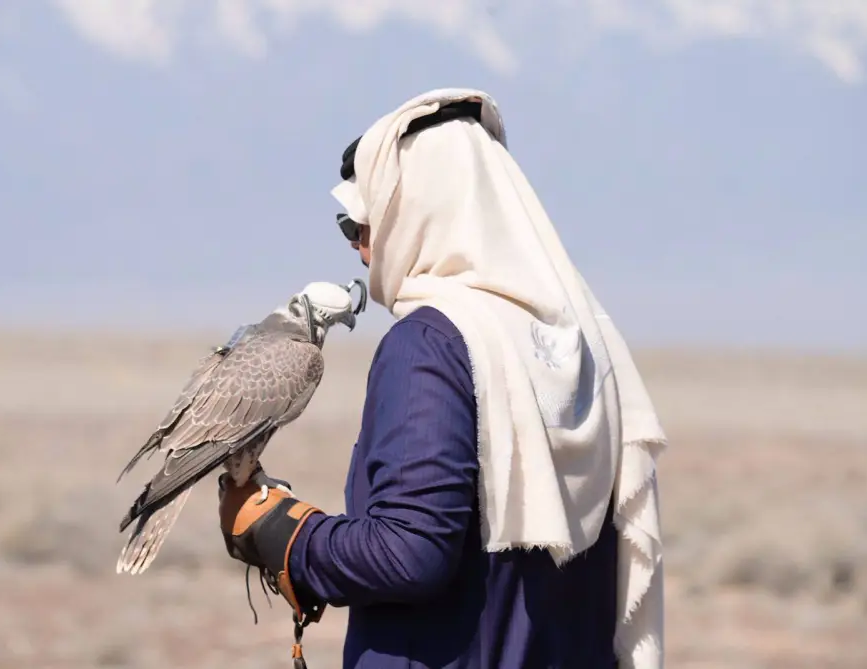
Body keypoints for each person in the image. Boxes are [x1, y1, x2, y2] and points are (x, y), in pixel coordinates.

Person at [217, 89, 668, 669]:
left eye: (362, 222)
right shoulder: (585, 344)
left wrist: (285, 536)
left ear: (418, 215)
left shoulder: (431, 345)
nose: (358, 247)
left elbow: (410, 552)